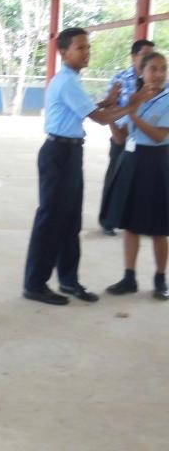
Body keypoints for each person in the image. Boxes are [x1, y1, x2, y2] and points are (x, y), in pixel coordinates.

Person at [22, 27, 153, 306]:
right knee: (50, 220)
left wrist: (109, 101)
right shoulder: (67, 81)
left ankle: (69, 280)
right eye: (80, 48)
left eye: (88, 48)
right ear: (63, 52)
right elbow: (101, 119)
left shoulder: (72, 80)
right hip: (58, 154)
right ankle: (35, 283)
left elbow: (87, 109)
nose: (86, 53)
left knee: (70, 220)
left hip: (69, 153)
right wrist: (132, 105)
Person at [101, 51, 169, 300]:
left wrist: (131, 112)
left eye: (163, 68)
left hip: (158, 163)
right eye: (153, 69)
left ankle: (161, 280)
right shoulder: (135, 98)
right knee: (130, 225)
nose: (159, 74)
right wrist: (111, 113)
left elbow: (159, 135)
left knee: (159, 228)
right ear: (141, 72)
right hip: (132, 161)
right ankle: (129, 277)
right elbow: (120, 138)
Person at [98, 39, 155, 235]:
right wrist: (117, 132)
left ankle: (141, 221)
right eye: (144, 55)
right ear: (133, 57)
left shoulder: (158, 82)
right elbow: (109, 108)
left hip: (148, 141)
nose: (148, 59)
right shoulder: (120, 79)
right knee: (115, 179)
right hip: (122, 137)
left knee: (146, 182)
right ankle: (107, 221)